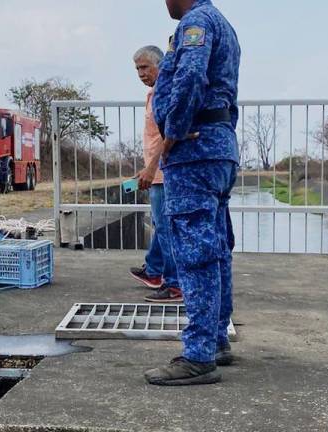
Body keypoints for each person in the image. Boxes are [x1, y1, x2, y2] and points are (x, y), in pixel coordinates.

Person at [145, 0, 241, 386]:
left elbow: (189, 77)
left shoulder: (196, 23)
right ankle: (216, 339)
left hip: (194, 151)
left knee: (195, 252)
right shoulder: (222, 24)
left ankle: (199, 354)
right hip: (218, 147)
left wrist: (173, 130)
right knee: (216, 247)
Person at [130, 45, 183, 304]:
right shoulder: (152, 94)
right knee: (161, 224)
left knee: (166, 227)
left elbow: (169, 133)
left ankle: (174, 285)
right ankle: (153, 270)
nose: (140, 73)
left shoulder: (167, 92)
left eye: (145, 67)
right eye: (137, 68)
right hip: (156, 168)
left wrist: (152, 167)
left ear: (160, 65)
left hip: (164, 170)